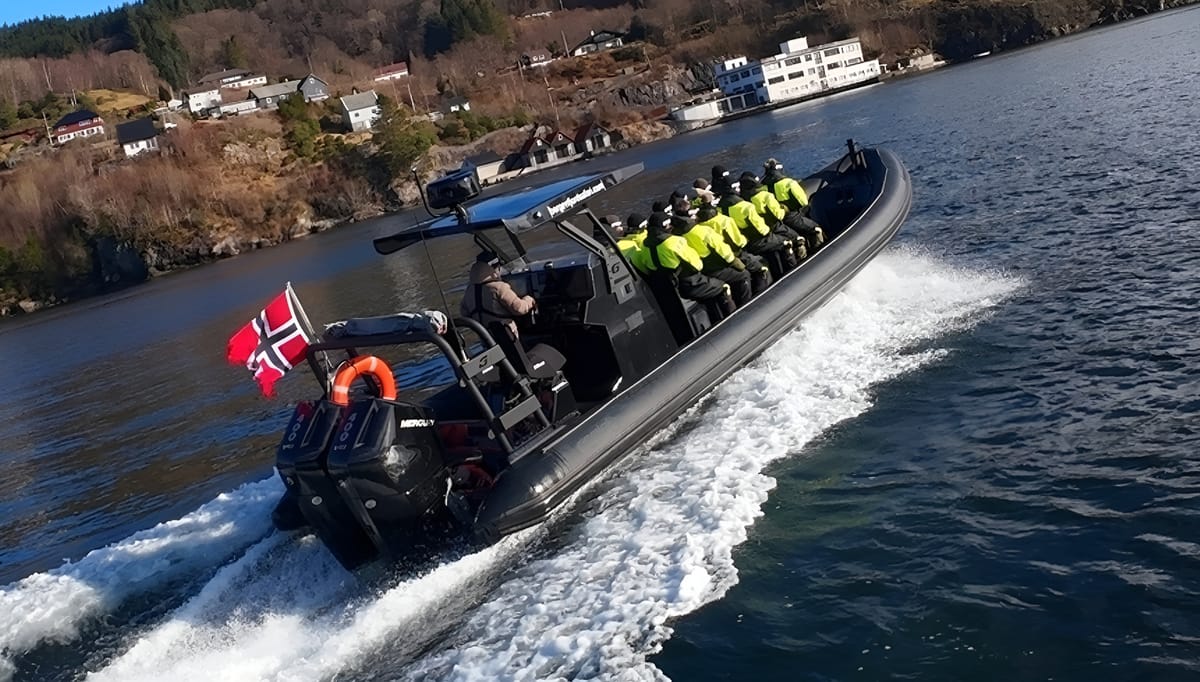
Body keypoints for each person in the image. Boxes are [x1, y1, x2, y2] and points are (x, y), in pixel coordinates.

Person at [641, 211, 735, 317]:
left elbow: (647, 267)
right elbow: (697, 265)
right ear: (666, 225)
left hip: (669, 288)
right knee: (723, 287)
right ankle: (733, 318)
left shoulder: (644, 245)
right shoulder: (675, 241)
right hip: (689, 284)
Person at [671, 199, 752, 306]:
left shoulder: (674, 236)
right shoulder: (704, 231)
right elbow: (723, 251)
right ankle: (747, 305)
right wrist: (735, 262)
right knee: (744, 275)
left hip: (698, 275)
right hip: (715, 269)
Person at [717, 176, 797, 278]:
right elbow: (762, 230)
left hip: (746, 246)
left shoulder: (720, 210)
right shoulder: (746, 206)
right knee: (788, 242)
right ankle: (794, 272)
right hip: (760, 240)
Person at [695, 202, 772, 295]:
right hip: (735, 255)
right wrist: (745, 240)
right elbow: (737, 242)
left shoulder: (700, 228)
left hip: (714, 263)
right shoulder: (724, 221)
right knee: (760, 268)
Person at [460, 251, 536, 338]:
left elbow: (465, 313)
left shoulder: (469, 290)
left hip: (486, 338)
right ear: (494, 269)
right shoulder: (499, 287)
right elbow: (519, 308)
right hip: (507, 337)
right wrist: (529, 300)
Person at [740, 172, 809, 261]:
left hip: (757, 237)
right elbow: (779, 215)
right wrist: (784, 209)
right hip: (775, 228)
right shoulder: (766, 196)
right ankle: (801, 260)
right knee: (798, 239)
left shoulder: (744, 202)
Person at [762, 158, 826, 248]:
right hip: (793, 217)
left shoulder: (764, 187)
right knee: (815, 228)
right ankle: (819, 248)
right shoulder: (789, 183)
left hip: (778, 223)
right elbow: (803, 202)